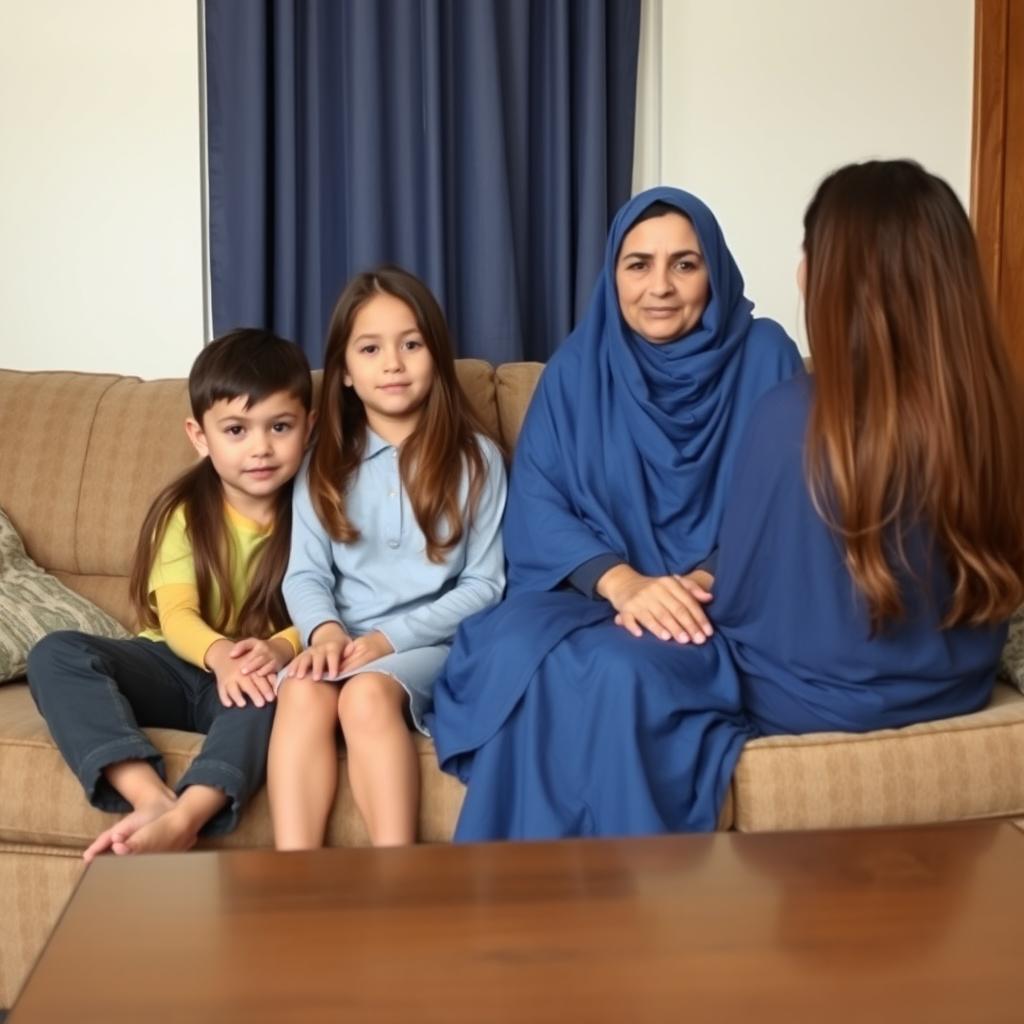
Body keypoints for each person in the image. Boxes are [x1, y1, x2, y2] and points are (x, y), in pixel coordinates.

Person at [428, 186, 805, 840]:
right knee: (521, 652)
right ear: (613, 273)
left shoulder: (766, 355)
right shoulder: (578, 366)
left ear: (714, 269)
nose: (659, 285)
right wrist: (624, 584)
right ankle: (523, 901)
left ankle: (629, 909)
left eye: (684, 264)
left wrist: (700, 582)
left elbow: (789, 504)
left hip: (713, 606)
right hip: (596, 593)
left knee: (615, 668)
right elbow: (540, 503)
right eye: (638, 264)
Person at [710, 159, 1024, 736]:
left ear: (838, 275)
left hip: (803, 706)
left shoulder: (785, 416)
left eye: (810, 251)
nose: (800, 272)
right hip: (960, 689)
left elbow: (741, 608)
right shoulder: (996, 415)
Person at [27, 330, 314, 858]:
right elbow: (177, 614)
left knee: (277, 697)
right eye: (236, 429)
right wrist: (219, 654)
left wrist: (278, 649)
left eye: (280, 427)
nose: (261, 448)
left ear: (308, 427)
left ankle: (191, 813)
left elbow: (335, 610)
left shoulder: (319, 513)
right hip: (174, 661)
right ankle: (149, 797)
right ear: (199, 436)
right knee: (55, 652)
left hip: (254, 673)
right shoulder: (185, 512)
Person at [269, 266, 507, 849]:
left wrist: (385, 643)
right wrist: (324, 632)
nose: (393, 364)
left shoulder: (476, 460)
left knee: (367, 693)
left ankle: (397, 881)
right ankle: (291, 880)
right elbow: (304, 572)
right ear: (345, 371)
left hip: (428, 650)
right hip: (341, 643)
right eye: (370, 349)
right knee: (299, 691)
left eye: (411, 344)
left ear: (436, 354)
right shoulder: (322, 460)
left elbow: (485, 585)